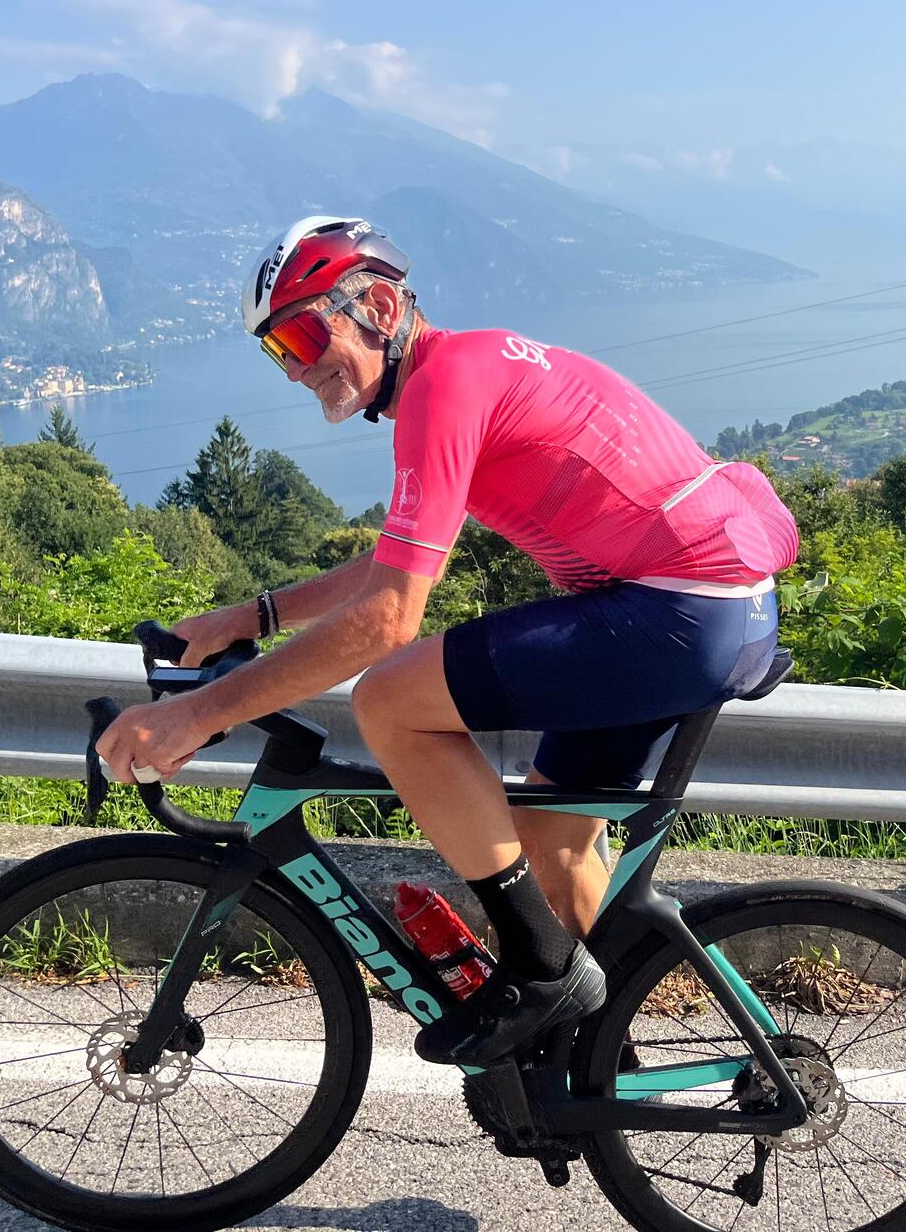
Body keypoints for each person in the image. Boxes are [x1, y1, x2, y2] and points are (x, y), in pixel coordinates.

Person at [96, 215, 800, 1066]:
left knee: (390, 699)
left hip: (673, 609)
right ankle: (586, 1070)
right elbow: (397, 559)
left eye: (304, 333)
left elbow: (391, 618)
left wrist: (196, 717)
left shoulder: (443, 387)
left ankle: (544, 971)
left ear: (381, 306)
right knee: (556, 838)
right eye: (277, 350)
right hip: (712, 607)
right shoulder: (467, 371)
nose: (299, 366)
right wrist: (249, 619)